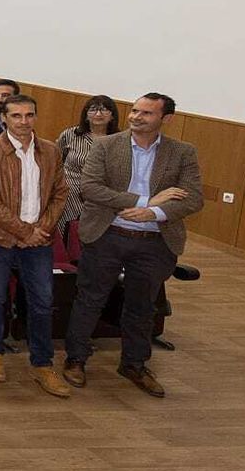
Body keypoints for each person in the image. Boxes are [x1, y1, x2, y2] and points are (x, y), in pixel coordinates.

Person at [65, 93, 203, 398]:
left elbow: (193, 198)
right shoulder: (105, 145)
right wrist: (145, 201)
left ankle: (134, 364)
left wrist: (153, 213)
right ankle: (75, 359)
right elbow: (90, 188)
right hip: (107, 234)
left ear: (166, 119)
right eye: (135, 111)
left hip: (154, 241)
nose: (136, 117)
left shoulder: (182, 152)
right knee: (89, 299)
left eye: (146, 113)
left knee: (142, 306)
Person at [0, 95, 72, 397]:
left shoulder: (50, 150)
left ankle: (42, 363)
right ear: (4, 118)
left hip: (39, 239)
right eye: (16, 115)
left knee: (42, 300)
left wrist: (42, 229)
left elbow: (60, 192)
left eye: (29, 115)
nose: (23, 121)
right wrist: (24, 231)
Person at [56, 96, 120, 247]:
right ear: (85, 114)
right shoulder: (70, 134)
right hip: (68, 194)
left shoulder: (119, 140)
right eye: (93, 109)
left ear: (112, 116)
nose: (98, 114)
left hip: (98, 197)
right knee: (63, 237)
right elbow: (56, 162)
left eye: (104, 110)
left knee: (89, 239)